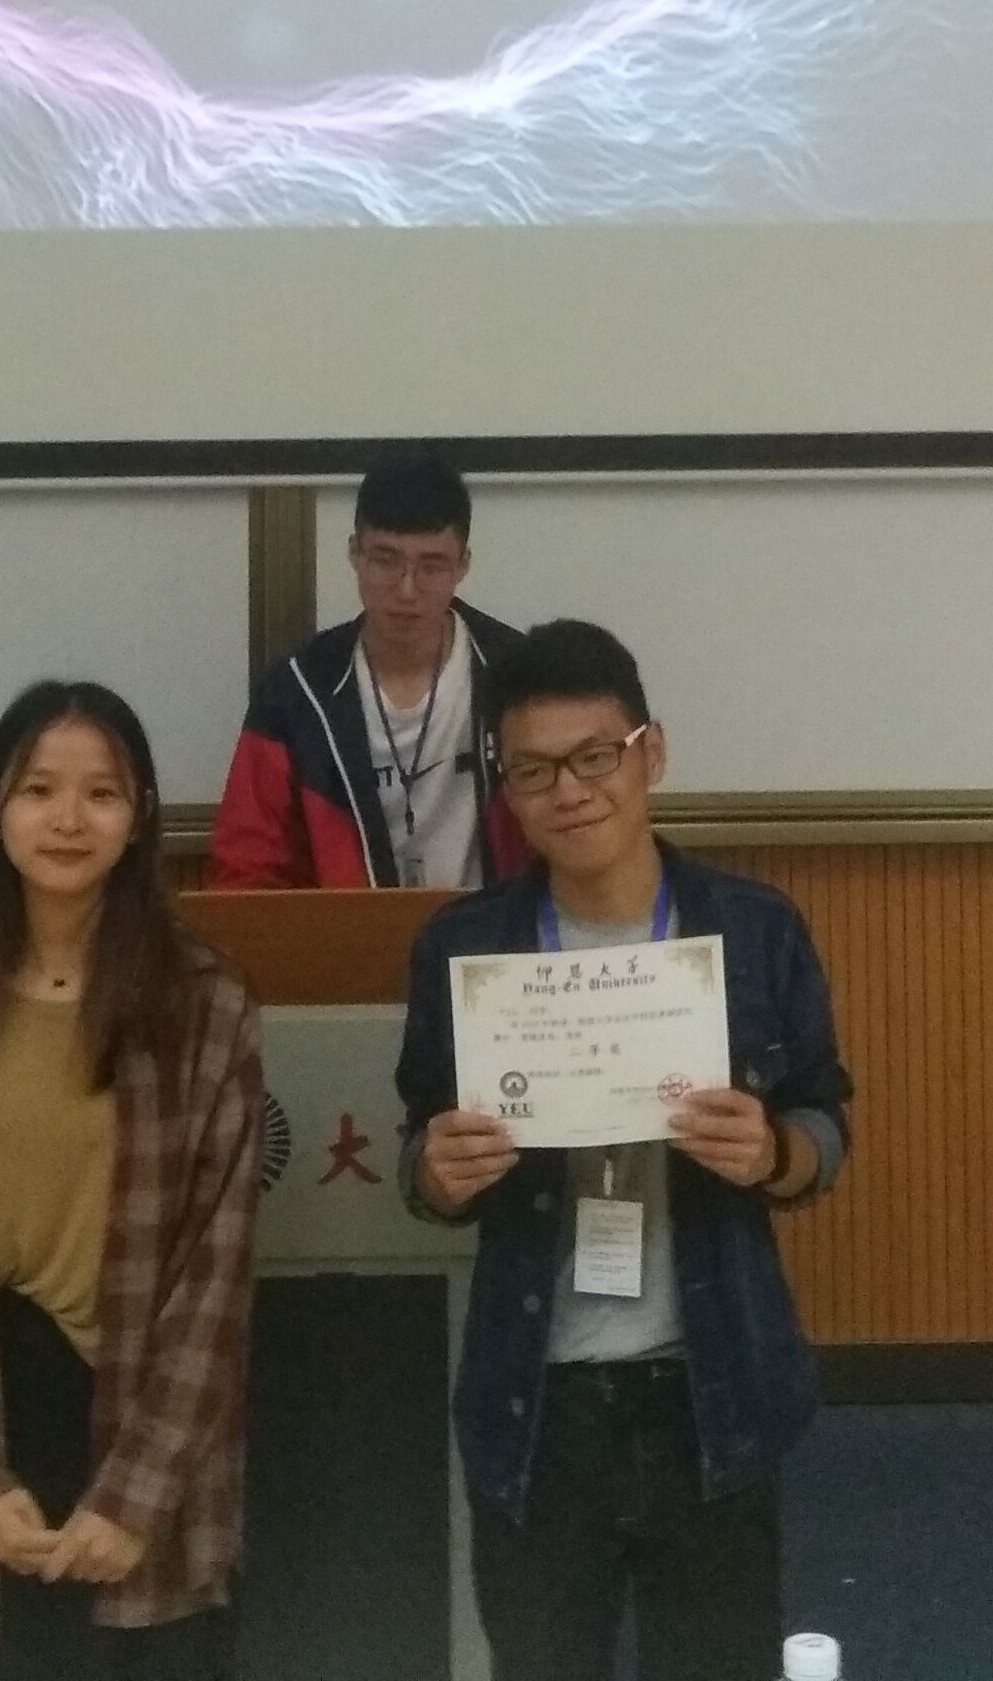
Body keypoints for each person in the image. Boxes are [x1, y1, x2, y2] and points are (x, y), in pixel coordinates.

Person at [396, 620, 854, 1681]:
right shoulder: (465, 948)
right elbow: (420, 1149)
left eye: (595, 756)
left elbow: (825, 1122)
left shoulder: (755, 931)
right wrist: (434, 1175)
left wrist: (773, 1154)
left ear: (651, 752)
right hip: (537, 1402)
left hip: (710, 1388)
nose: (570, 792)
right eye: (533, 770)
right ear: (505, 790)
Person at [0, 681, 265, 1674]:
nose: (69, 819)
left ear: (140, 819)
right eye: (39, 790)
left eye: (102, 794)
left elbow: (215, 1280)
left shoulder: (204, 1005)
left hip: (140, 1435)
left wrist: (134, 1498)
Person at [208, 455, 527, 889]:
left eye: (432, 566)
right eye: (385, 561)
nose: (407, 589)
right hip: (347, 929)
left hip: (494, 926)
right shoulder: (297, 692)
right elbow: (247, 867)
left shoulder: (518, 675)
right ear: (355, 554)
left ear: (463, 565)